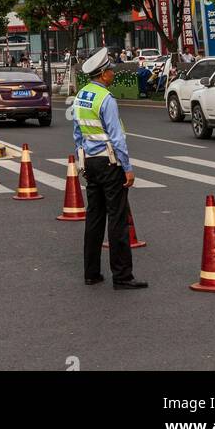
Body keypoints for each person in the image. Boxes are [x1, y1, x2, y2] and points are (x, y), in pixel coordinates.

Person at [73, 48, 147, 290]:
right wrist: (128, 168)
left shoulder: (81, 95)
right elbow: (117, 138)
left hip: (91, 163)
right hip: (109, 163)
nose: (113, 73)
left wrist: (82, 160)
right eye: (111, 70)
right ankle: (122, 276)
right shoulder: (106, 99)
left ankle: (91, 272)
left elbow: (77, 134)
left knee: (94, 217)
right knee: (117, 219)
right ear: (103, 74)